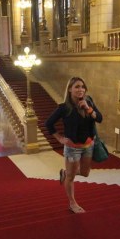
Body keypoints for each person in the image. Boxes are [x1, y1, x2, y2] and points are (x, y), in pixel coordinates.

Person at [45, 77, 103, 214]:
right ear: (70, 89)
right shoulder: (64, 107)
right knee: (71, 178)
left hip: (88, 145)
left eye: (82, 86)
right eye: (76, 87)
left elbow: (99, 118)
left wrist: (88, 109)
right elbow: (48, 123)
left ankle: (66, 172)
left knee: (85, 173)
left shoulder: (89, 102)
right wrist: (59, 138)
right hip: (72, 148)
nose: (80, 89)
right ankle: (72, 203)